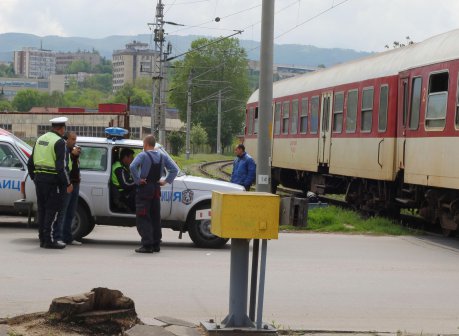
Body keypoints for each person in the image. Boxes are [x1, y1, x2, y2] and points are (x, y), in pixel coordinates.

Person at [27, 117, 72, 249]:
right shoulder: (60, 142)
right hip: (53, 182)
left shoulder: (40, 139)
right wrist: (68, 183)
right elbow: (61, 167)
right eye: (64, 129)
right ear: (61, 128)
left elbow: (30, 162)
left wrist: (34, 178)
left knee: (42, 210)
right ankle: (50, 240)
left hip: (40, 180)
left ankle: (43, 239)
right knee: (52, 211)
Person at [130, 135, 178, 253]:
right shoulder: (162, 156)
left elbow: (132, 166)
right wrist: (166, 181)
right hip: (156, 189)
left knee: (143, 216)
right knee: (155, 217)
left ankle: (147, 245)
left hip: (145, 188)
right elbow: (174, 169)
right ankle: (156, 244)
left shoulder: (143, 155)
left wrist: (138, 180)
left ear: (146, 144)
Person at [58, 131, 82, 246]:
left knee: (71, 212)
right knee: (64, 211)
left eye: (75, 139)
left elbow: (75, 167)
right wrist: (72, 155)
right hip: (68, 185)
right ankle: (60, 237)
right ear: (66, 139)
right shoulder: (64, 151)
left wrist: (75, 156)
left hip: (75, 184)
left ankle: (68, 237)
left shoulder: (73, 152)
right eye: (72, 139)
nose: (74, 141)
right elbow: (65, 167)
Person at [111, 148, 136, 212]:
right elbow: (125, 184)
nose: (133, 160)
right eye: (131, 158)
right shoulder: (119, 168)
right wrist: (137, 181)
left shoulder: (123, 166)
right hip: (121, 194)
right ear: (125, 157)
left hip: (124, 192)